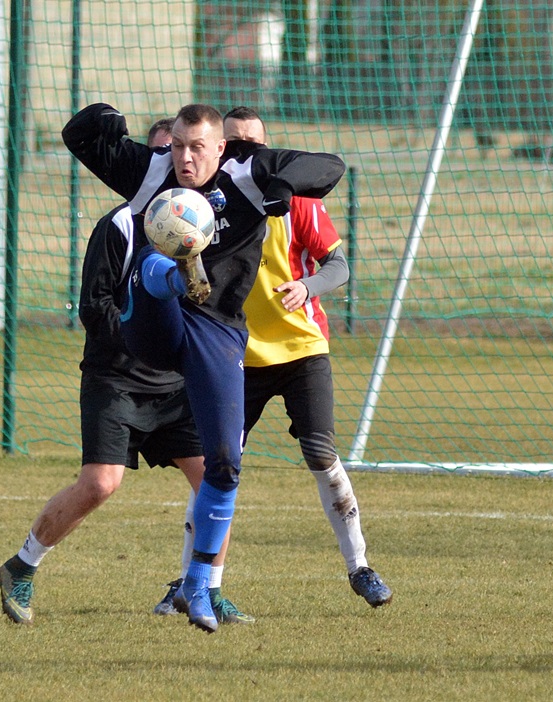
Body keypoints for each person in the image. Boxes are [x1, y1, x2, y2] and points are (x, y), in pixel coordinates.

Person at [60, 102, 345, 633]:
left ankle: (197, 585)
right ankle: (179, 272)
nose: (185, 158)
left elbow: (330, 166)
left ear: (222, 148)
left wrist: (285, 185)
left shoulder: (249, 171)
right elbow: (78, 137)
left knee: (224, 464)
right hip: (152, 325)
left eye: (198, 148)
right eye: (179, 146)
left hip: (216, 332)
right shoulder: (152, 169)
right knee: (151, 261)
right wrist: (105, 118)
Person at [0, 118, 249, 626]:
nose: (174, 167)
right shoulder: (119, 225)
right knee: (100, 484)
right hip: (116, 378)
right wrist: (144, 333)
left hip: (174, 383)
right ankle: (20, 566)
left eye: (183, 154)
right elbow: (95, 306)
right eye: (164, 155)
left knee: (217, 479)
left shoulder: (200, 226)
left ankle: (206, 589)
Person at [151, 107, 391, 613]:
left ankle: (360, 567)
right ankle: (189, 583)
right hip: (234, 353)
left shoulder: (291, 199)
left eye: (253, 144)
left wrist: (307, 287)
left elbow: (339, 267)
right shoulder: (194, 206)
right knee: (214, 468)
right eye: (235, 143)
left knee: (321, 453)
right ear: (221, 149)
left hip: (302, 348)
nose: (245, 152)